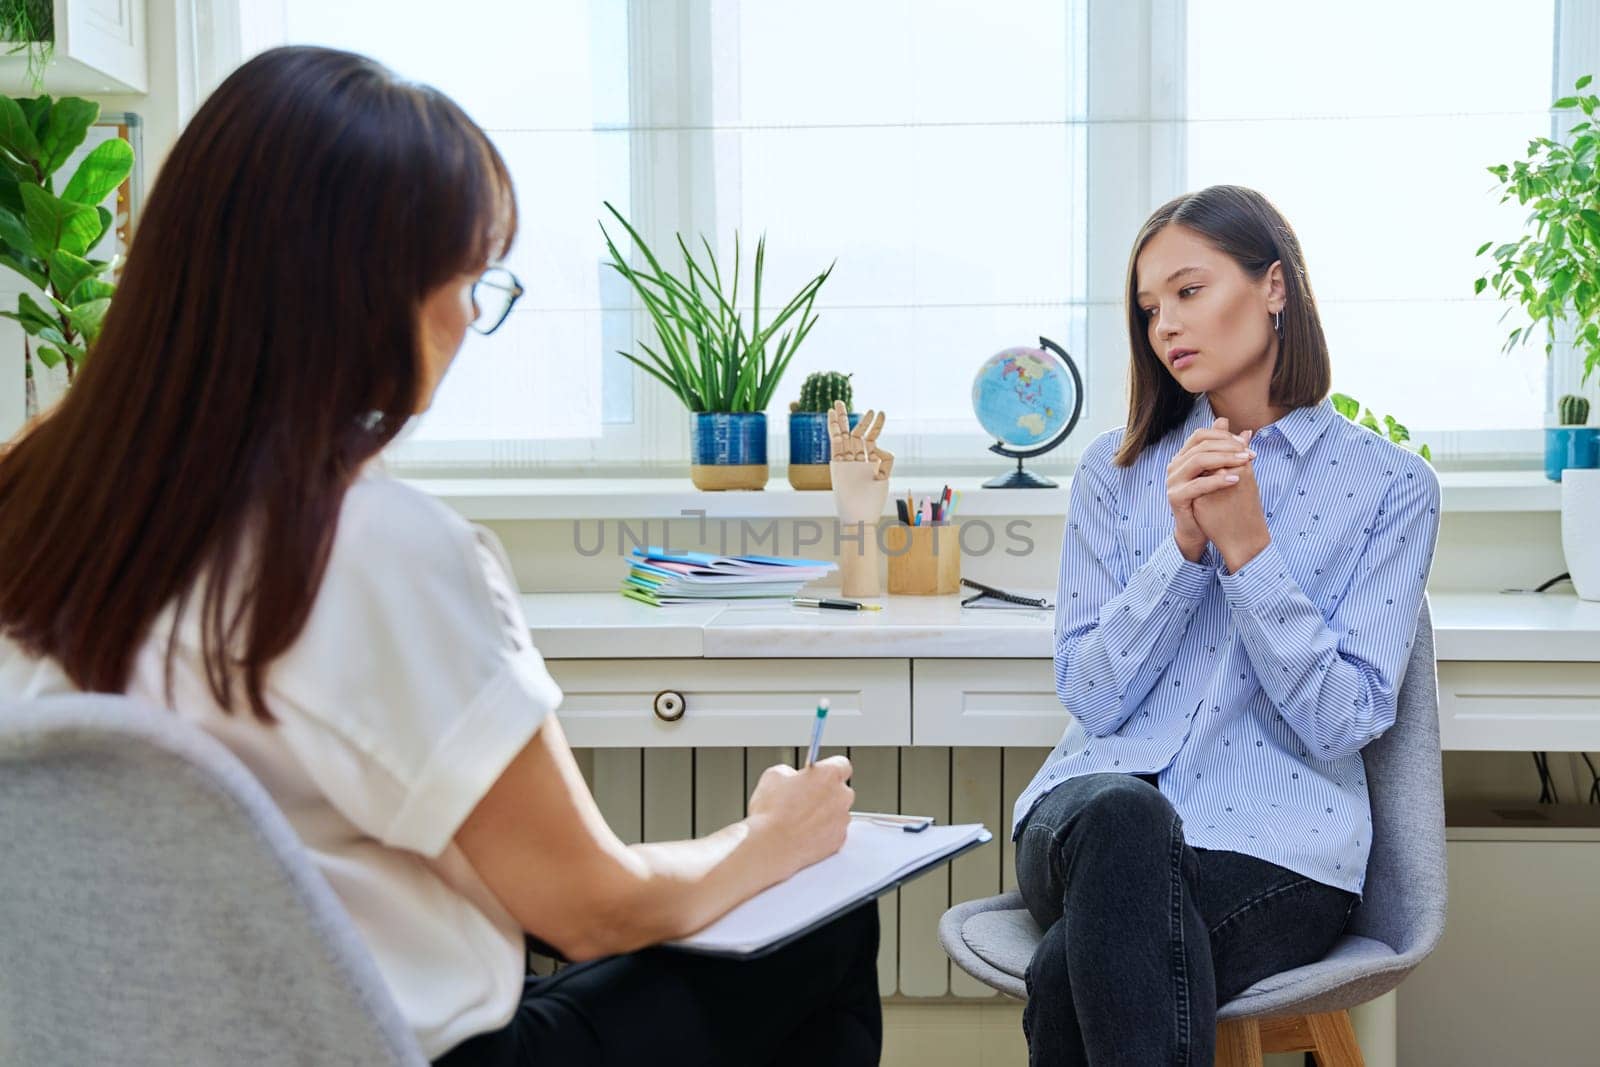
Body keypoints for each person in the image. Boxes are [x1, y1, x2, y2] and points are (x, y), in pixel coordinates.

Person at [0, 46, 880, 1066]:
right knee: (824, 919)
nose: (469, 317)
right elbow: (592, 907)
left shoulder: (36, 508)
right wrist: (773, 833)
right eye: (469, 279)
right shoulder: (366, 544)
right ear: (370, 293)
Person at [1011, 185, 1440, 1065]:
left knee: (1068, 972)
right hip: (1091, 818)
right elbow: (1089, 693)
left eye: (1189, 290)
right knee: (1129, 817)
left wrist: (1248, 550)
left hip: (1278, 850)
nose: (1166, 324)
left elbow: (1344, 719)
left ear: (1274, 287)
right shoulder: (1115, 470)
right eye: (1149, 307)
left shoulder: (1392, 489)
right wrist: (1181, 552)